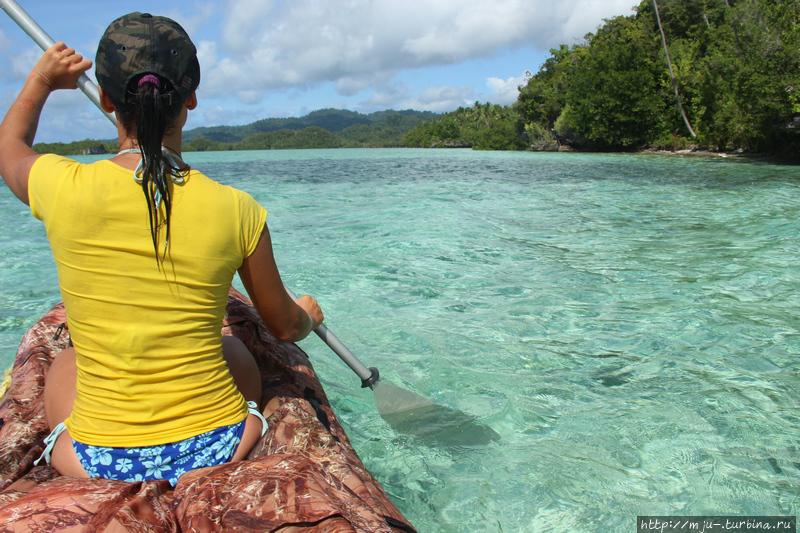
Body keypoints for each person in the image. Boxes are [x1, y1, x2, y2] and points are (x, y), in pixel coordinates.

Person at [0, 12, 323, 485]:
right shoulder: (237, 209)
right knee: (234, 351)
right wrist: (308, 317)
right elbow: (282, 325)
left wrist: (43, 80)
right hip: (220, 443)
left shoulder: (62, 184)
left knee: (66, 361)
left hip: (97, 458)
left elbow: (9, 146)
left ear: (107, 99)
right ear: (191, 96)